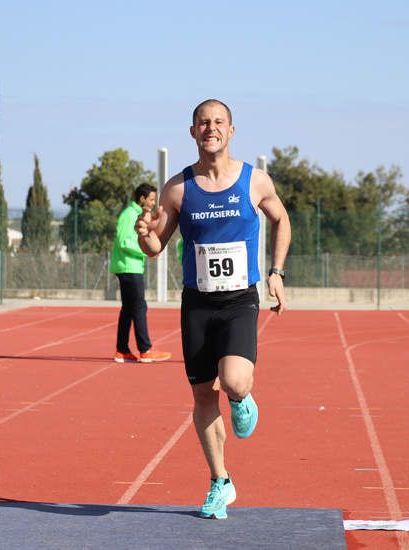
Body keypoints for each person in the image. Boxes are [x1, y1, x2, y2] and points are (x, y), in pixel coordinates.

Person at [136, 99, 290, 519]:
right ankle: (220, 481)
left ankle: (243, 398)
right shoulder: (178, 188)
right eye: (203, 123)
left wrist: (276, 271)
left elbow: (282, 220)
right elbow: (154, 248)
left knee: (234, 381)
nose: (211, 128)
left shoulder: (254, 181)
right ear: (193, 132)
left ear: (232, 130)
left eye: (219, 122)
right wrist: (143, 234)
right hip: (197, 303)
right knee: (203, 395)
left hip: (240, 299)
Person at [110, 183, 172, 364]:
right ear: (142, 198)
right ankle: (145, 349)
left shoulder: (137, 215)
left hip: (131, 267)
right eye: (151, 199)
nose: (153, 202)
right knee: (139, 307)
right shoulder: (130, 215)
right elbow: (123, 241)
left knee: (128, 310)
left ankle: (122, 350)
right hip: (129, 267)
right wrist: (144, 251)